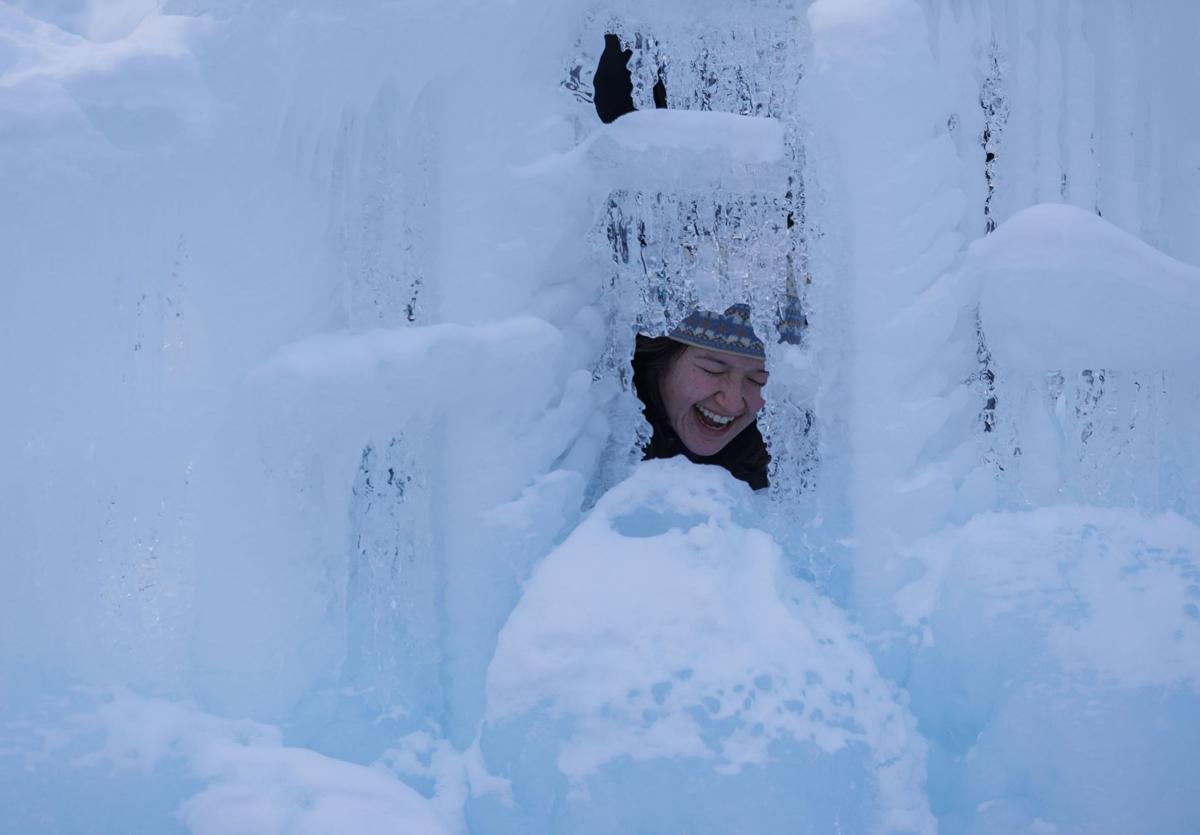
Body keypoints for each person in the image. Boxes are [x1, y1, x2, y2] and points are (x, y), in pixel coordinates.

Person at [632, 304, 773, 490]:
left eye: (757, 380)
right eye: (713, 370)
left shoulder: (784, 476)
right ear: (661, 361)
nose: (732, 403)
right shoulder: (601, 451)